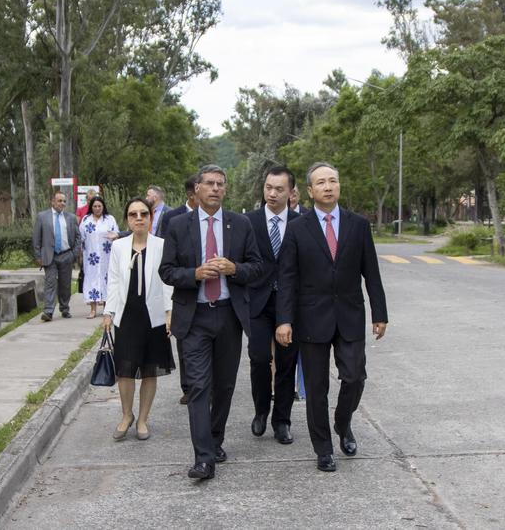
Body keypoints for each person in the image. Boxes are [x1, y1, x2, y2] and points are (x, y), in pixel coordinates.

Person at [276, 162, 388, 472]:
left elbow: (372, 273)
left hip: (350, 314)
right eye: (321, 183)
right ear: (310, 191)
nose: (328, 186)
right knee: (316, 388)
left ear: (339, 186)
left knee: (354, 376)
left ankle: (343, 422)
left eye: (333, 181)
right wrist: (283, 319)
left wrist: (380, 312)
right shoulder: (297, 228)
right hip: (311, 318)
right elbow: (287, 277)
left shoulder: (358, 225)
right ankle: (323, 448)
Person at [159, 164, 263, 481]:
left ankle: (214, 440)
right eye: (209, 183)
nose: (215, 188)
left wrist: (233, 269)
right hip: (195, 318)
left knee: (225, 386)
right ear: (197, 189)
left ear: (225, 190)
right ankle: (203, 458)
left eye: (221, 183)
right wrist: (194, 274)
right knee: (198, 386)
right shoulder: (178, 225)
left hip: (230, 315)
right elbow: (167, 271)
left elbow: (257, 268)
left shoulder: (240, 224)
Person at [103, 197, 175, 441]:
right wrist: (108, 312)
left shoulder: (162, 246)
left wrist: (169, 312)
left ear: (151, 217)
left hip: (153, 317)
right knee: (124, 369)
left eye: (144, 213)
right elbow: (113, 280)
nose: (139, 218)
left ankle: (143, 419)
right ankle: (126, 415)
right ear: (127, 219)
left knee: (149, 370)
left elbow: (168, 281)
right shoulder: (119, 247)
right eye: (133, 214)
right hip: (127, 315)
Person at [245, 166, 300, 445]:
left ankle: (282, 421)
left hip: (290, 305)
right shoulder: (249, 222)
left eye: (279, 189)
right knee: (258, 359)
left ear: (291, 192)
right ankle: (261, 411)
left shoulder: (302, 222)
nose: (272, 193)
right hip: (257, 302)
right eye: (268, 187)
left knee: (287, 363)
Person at [159, 174, 199, 404]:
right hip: (182, 287)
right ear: (191, 194)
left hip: (208, 289)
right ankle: (187, 386)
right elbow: (168, 257)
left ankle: (206, 386)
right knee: (184, 340)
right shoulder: (172, 218)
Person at [32, 192, 81, 320]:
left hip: (66, 255)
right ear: (52, 202)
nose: (62, 203)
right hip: (49, 256)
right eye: (59, 201)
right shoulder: (42, 217)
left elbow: (78, 237)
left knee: (65, 284)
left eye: (64, 201)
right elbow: (36, 238)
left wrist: (74, 254)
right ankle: (48, 311)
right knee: (50, 283)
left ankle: (65, 308)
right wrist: (38, 256)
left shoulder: (70, 217)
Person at [78, 195, 118, 319]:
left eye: (99, 206)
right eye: (94, 206)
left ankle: (107, 309)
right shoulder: (86, 220)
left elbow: (117, 234)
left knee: (107, 280)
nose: (97, 208)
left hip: (107, 256)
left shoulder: (109, 219)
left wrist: (115, 236)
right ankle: (93, 310)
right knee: (91, 280)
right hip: (91, 258)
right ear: (91, 207)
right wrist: (79, 255)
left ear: (103, 207)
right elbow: (80, 238)